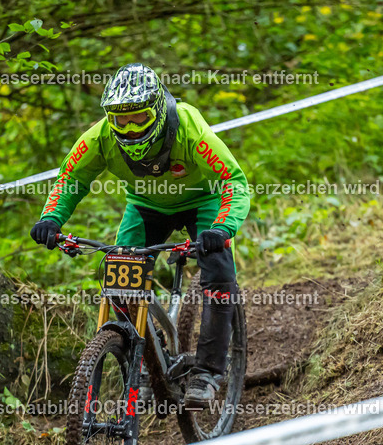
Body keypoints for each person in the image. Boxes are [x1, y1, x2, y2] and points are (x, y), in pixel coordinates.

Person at [30, 63, 250, 409]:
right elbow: (70, 180)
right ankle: (147, 364)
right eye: (121, 121)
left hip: (203, 201)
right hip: (146, 207)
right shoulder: (100, 138)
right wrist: (51, 219)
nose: (129, 130)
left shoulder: (189, 127)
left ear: (158, 112)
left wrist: (222, 228)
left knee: (219, 273)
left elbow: (234, 182)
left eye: (139, 119)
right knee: (119, 277)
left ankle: (208, 372)